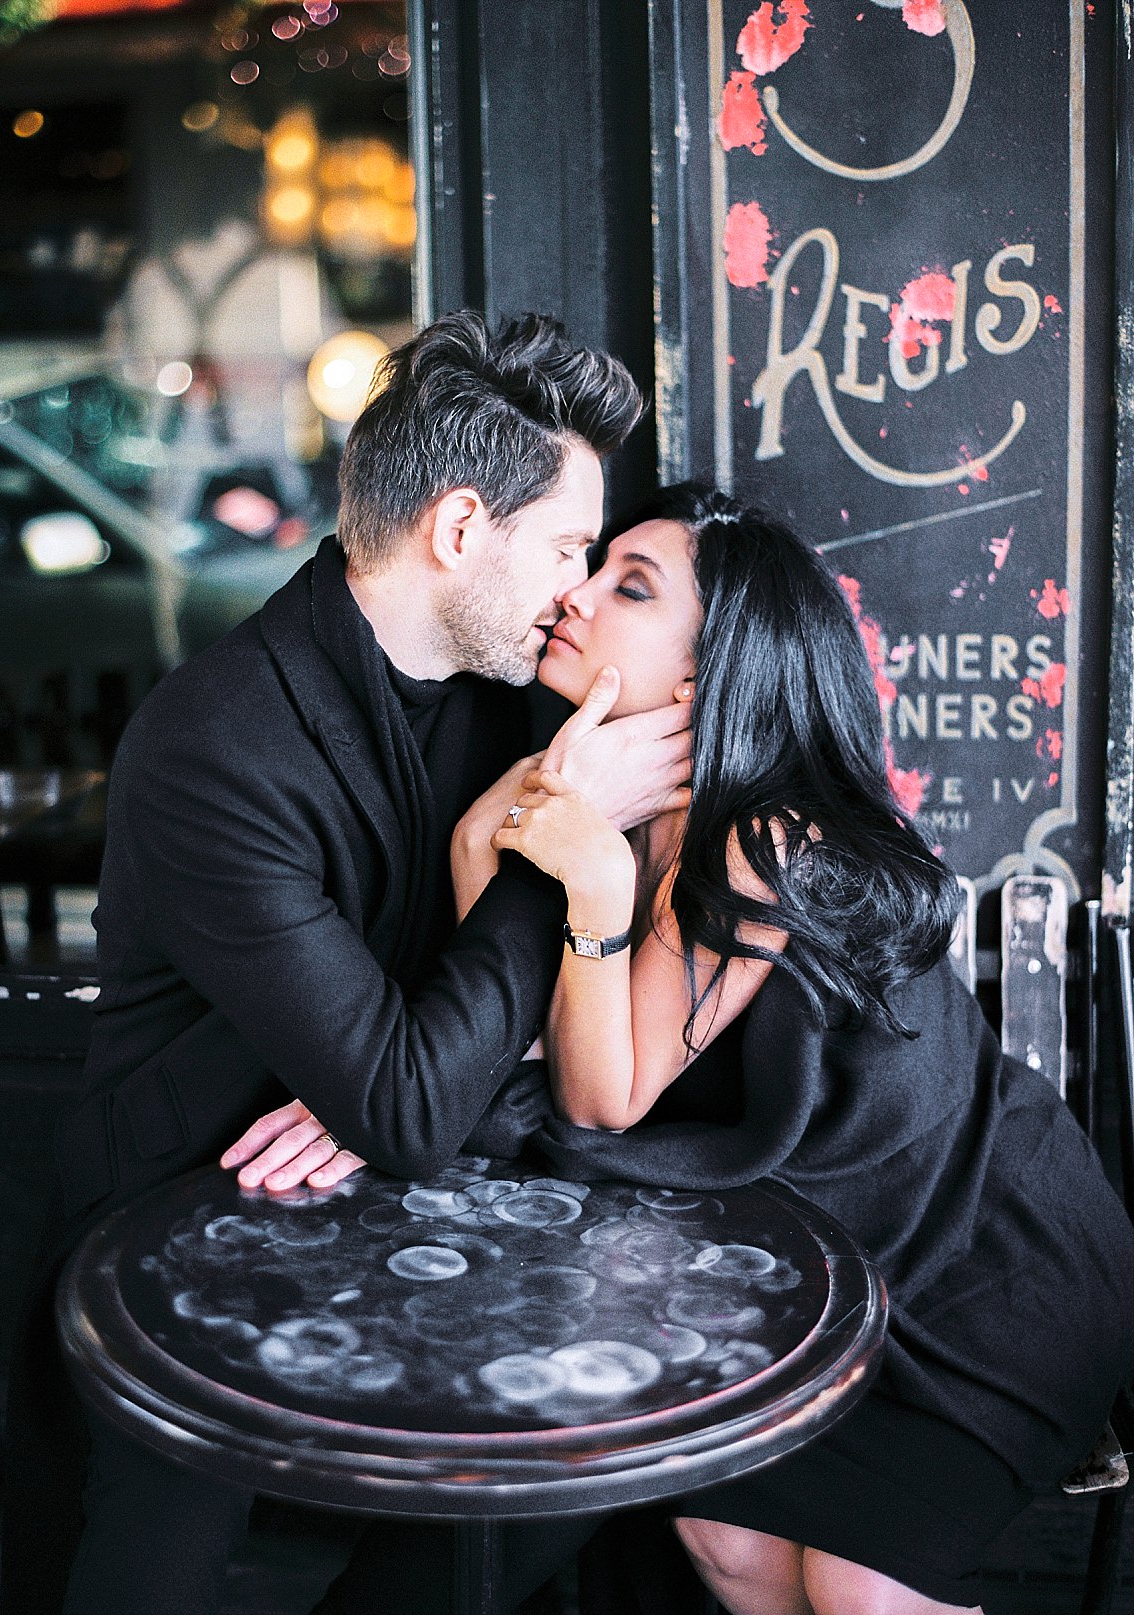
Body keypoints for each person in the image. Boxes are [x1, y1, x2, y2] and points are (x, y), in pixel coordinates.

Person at [235, 482, 1134, 1615]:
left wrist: (591, 877)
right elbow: (514, 1049)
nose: (579, 590)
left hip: (986, 1269)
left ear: (708, 676)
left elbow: (600, 1100)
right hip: (820, 1278)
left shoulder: (762, 837)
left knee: (856, 1584)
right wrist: (485, 840)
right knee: (726, 1538)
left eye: (631, 585)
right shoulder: (596, 802)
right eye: (596, 562)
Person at [0, 310, 694, 1615]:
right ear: (457, 527)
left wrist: (393, 1084)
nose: (577, 584)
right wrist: (554, 824)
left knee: (573, 1473)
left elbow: (439, 1082)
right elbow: (413, 1092)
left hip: (405, 1188)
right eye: (563, 545)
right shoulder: (215, 742)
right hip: (179, 1227)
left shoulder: (520, 694)